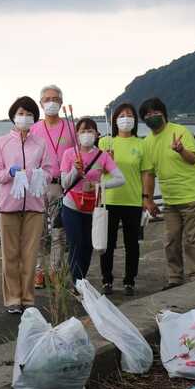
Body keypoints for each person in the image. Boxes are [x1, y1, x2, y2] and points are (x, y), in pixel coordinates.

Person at [0, 96, 57, 315]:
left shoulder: (40, 143)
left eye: (29, 114)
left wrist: (40, 176)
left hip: (34, 206)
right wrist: (9, 174)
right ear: (13, 116)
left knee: (30, 254)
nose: (25, 117)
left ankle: (28, 299)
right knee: (10, 255)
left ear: (34, 118)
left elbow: (49, 170)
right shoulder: (2, 142)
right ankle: (12, 298)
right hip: (8, 205)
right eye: (21, 113)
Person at [139, 97, 195, 289]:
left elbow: (192, 159)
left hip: (193, 195)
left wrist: (180, 150)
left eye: (155, 112)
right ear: (143, 119)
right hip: (170, 200)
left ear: (164, 113)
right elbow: (149, 174)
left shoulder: (180, 131)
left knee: (194, 240)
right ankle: (175, 278)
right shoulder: (147, 143)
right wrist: (148, 199)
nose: (152, 116)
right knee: (170, 240)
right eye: (147, 114)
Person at [59, 117, 124, 282]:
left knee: (88, 246)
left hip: (91, 206)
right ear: (77, 134)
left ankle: (81, 280)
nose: (86, 134)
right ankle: (76, 281)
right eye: (83, 131)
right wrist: (75, 169)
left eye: (90, 131)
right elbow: (65, 183)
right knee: (76, 243)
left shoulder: (102, 156)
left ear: (96, 134)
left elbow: (120, 179)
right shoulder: (69, 153)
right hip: (71, 204)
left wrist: (99, 185)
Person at [29, 84, 74, 288]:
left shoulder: (71, 128)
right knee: (38, 232)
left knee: (59, 231)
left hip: (61, 185)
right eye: (47, 99)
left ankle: (55, 270)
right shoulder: (34, 128)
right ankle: (38, 270)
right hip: (38, 186)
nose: (51, 103)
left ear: (61, 102)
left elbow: (77, 155)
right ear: (40, 103)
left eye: (55, 99)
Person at [98, 103, 145, 295]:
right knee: (106, 243)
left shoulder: (141, 144)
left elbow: (146, 174)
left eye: (129, 115)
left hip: (133, 200)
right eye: (122, 115)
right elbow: (95, 172)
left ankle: (129, 281)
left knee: (132, 244)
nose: (126, 118)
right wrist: (105, 162)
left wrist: (146, 198)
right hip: (109, 200)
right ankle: (106, 280)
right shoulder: (104, 143)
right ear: (114, 120)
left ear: (134, 120)